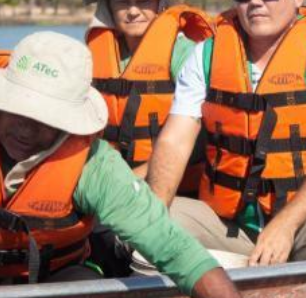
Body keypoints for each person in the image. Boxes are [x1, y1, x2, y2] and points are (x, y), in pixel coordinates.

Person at [0, 32, 240, 298]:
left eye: (45, 117)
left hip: (48, 278)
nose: (25, 127)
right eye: (17, 109)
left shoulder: (94, 164)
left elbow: (171, 246)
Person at [145, 0, 306, 267]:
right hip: (231, 225)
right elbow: (175, 141)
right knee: (142, 224)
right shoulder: (205, 55)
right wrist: (155, 214)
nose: (255, 2)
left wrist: (285, 225)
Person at [84, 0, 213, 276]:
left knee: (109, 229)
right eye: (122, 3)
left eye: (142, 2)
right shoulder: (93, 53)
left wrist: (135, 177)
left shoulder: (184, 53)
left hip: (172, 185)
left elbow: (200, 134)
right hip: (111, 180)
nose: (132, 11)